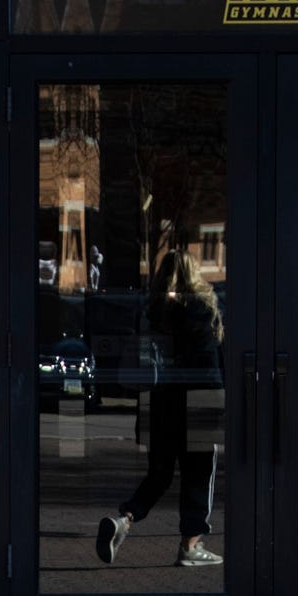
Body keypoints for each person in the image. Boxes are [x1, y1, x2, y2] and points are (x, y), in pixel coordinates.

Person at [98, 243, 222, 569]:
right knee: (199, 474)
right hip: (196, 400)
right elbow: (208, 366)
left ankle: (125, 519)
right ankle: (190, 545)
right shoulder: (202, 309)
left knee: (160, 474)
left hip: (159, 400)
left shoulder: (151, 310)